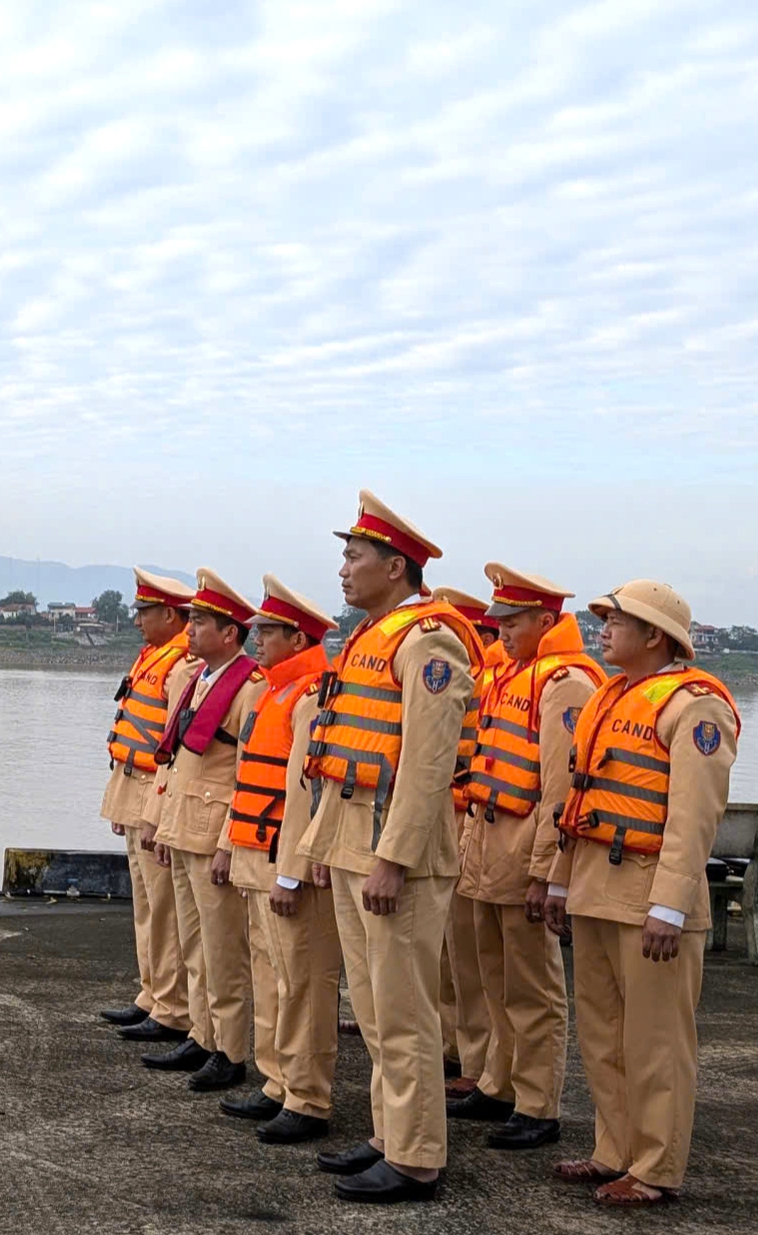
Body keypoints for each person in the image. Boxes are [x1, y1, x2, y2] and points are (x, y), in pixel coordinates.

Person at [298, 492, 481, 1204]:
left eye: (354, 555)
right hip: (351, 841)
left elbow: (429, 765)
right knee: (375, 1008)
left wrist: (393, 858)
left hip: (392, 854)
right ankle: (388, 1134)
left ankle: (416, 1158)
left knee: (404, 1011)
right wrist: (322, 844)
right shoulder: (373, 635)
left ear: (395, 565)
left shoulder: (428, 641)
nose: (343, 569)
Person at [544, 580, 738, 1207]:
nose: (603, 627)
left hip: (650, 895)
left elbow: (693, 817)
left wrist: (671, 905)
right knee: (602, 1033)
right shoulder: (609, 696)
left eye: (617, 620)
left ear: (656, 635)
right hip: (596, 887)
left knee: (656, 1041)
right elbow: (578, 800)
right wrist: (558, 878)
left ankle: (656, 1167)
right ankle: (614, 1148)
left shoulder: (694, 706)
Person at [450, 564, 601, 1149]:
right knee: (495, 977)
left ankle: (538, 1103)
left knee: (532, 986)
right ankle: (499, 1082)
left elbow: (559, 790)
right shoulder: (511, 675)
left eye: (512, 621)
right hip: (486, 847)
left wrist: (545, 871)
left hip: (521, 853)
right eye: (499, 620)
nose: (501, 630)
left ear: (546, 620)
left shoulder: (564, 682)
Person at [217, 575, 339, 1144]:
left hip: (283, 860)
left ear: (297, 638)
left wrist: (293, 869)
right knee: (269, 974)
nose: (257, 639)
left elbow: (309, 793)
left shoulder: (312, 696)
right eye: (259, 629)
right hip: (255, 854)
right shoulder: (272, 691)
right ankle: (276, 1081)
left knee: (303, 982)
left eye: (267, 631)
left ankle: (308, 1095)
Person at [144, 571, 268, 1093]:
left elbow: (247, 772)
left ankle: (230, 1050)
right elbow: (178, 761)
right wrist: (162, 823)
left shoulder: (248, 688)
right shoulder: (201, 679)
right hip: (184, 825)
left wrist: (228, 845)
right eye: (190, 618)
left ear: (230, 633)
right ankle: (202, 1033)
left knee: (224, 952)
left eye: (200, 621)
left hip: (213, 830)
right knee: (194, 944)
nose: (189, 630)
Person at [99, 569, 198, 1043]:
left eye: (145, 612)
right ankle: (152, 992)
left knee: (164, 907)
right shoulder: (153, 658)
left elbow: (174, 747)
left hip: (154, 789)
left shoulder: (181, 667)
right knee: (145, 902)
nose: (137, 620)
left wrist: (158, 812)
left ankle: (173, 1005)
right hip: (132, 784)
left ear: (171, 615)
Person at [429, 586, 500, 1100]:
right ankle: (451, 1043)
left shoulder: (486, 681)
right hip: (454, 816)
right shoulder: (485, 680)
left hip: (466, 819)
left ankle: (474, 1060)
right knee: (447, 954)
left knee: (469, 961)